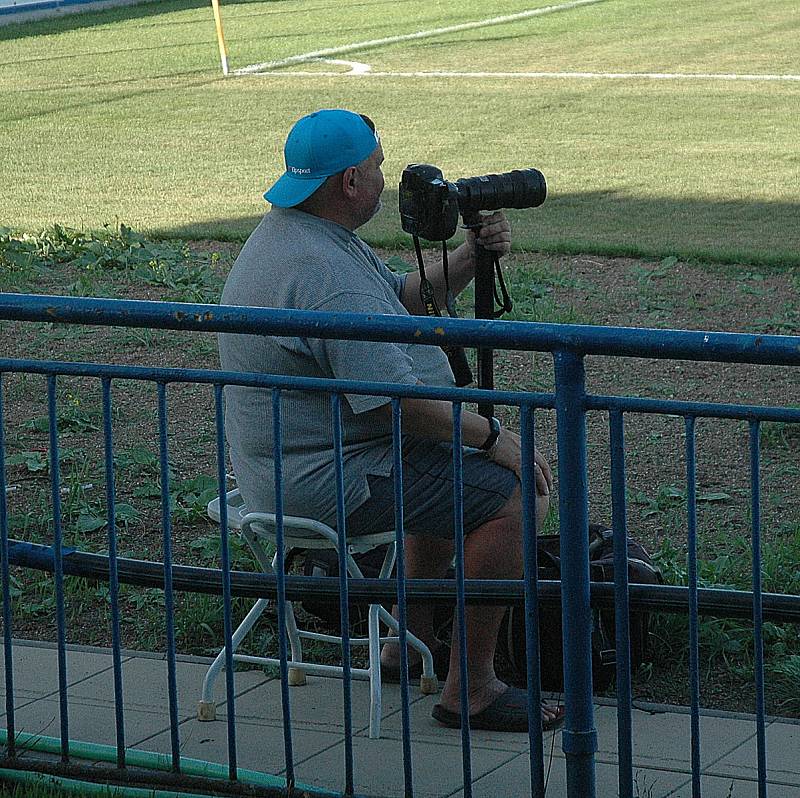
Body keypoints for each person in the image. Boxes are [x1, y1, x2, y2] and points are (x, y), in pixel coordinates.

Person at [218, 109, 563, 733]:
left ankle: (406, 646)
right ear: (350, 181)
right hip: (326, 480)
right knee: (514, 496)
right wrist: (493, 437)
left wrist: (467, 257)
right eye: (377, 166)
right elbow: (395, 404)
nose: (384, 177)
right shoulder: (324, 272)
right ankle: (472, 689)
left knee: (449, 477)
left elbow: (398, 301)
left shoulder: (297, 233)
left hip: (298, 465)